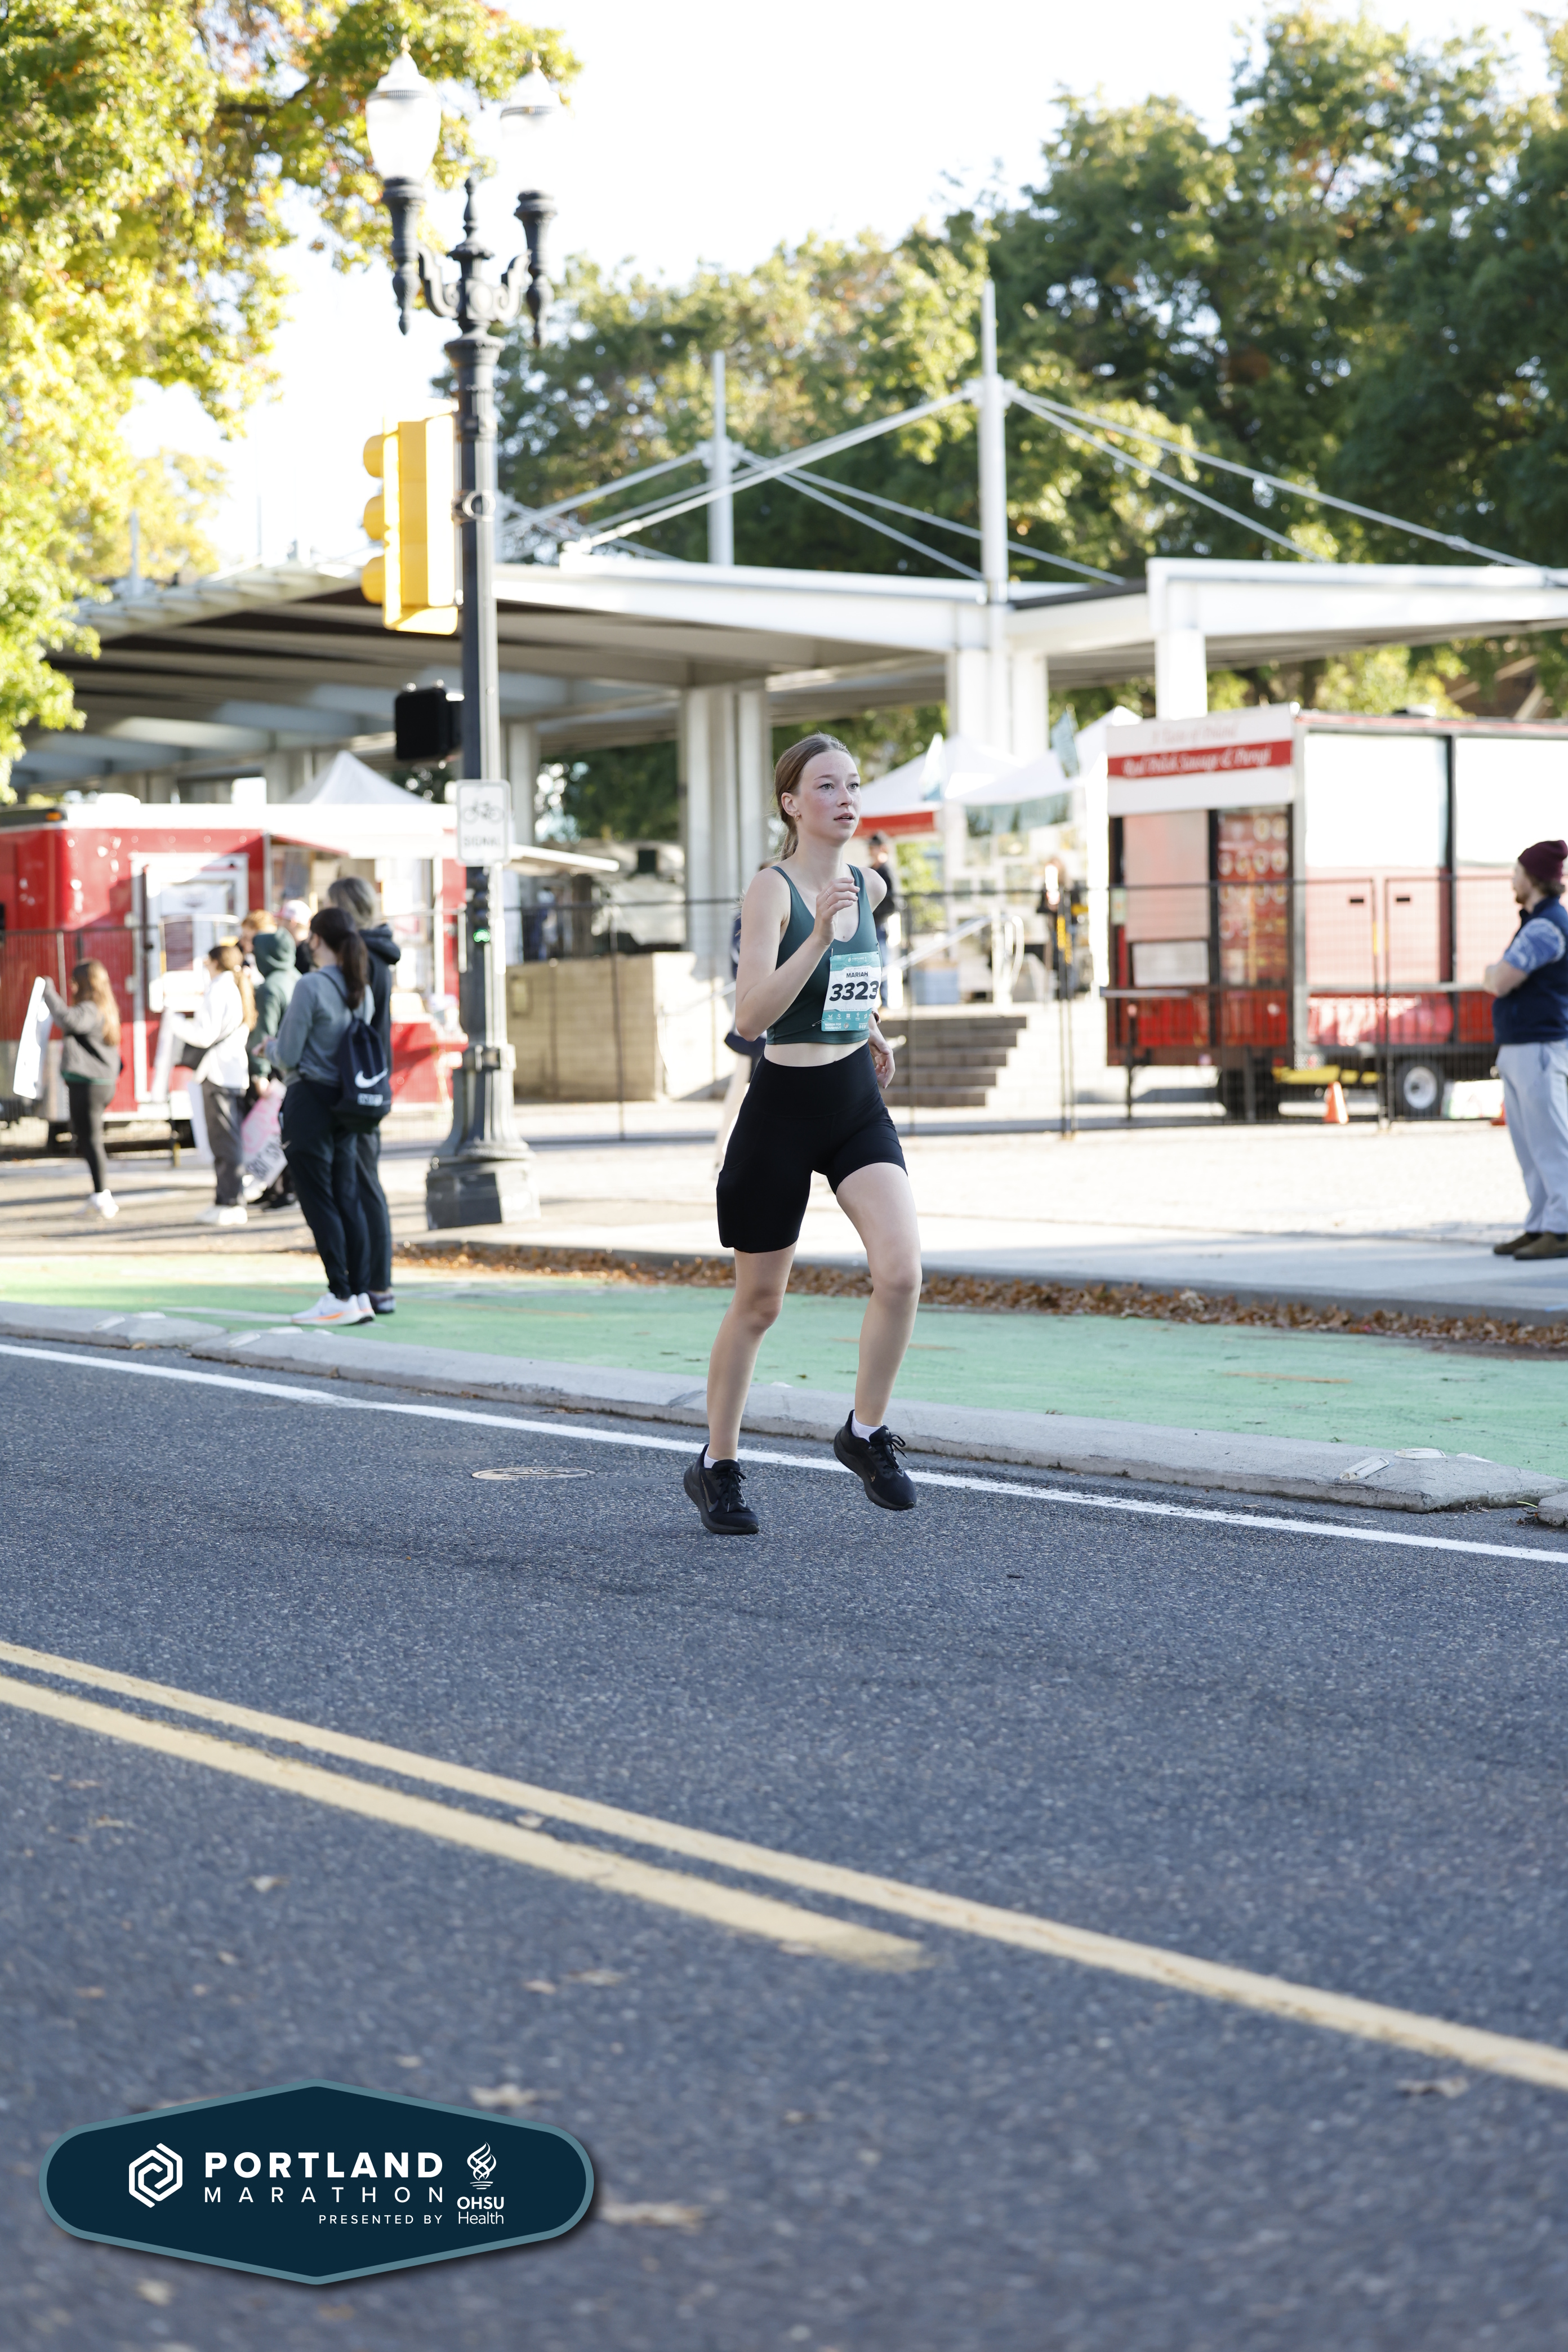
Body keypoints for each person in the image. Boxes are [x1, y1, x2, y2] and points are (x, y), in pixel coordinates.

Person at [685, 733, 920, 1536]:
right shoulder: (772, 890)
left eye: (853, 784)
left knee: (901, 1272)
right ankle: (717, 1465)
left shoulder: (871, 886)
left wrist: (870, 1026)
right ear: (791, 804)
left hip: (853, 1102)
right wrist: (817, 934)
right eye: (827, 786)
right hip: (782, 1108)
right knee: (760, 1303)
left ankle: (865, 1433)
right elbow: (751, 1017)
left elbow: (850, 984)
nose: (845, 798)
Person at [270, 906, 374, 1326]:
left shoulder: (311, 985)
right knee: (347, 1197)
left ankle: (338, 1294)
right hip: (347, 1103)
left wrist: (266, 1048)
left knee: (318, 1199)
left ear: (316, 939)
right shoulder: (360, 987)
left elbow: (288, 1053)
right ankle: (360, 1293)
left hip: (309, 1100)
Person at [1484, 837, 1568, 1259]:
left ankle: (1562, 1228)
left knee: (1549, 1141)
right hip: (1525, 1045)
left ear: (1533, 878)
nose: (1512, 880)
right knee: (1531, 1146)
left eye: (1517, 872)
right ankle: (1540, 1225)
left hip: (1539, 1046)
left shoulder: (1545, 927)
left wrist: (1491, 973)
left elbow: (1500, 980)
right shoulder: (1537, 923)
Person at [327, 874, 400, 1313]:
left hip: (356, 1080)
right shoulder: (380, 953)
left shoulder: (363, 956)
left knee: (362, 1183)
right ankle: (376, 1282)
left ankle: (375, 1283)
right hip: (371, 1076)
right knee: (364, 1180)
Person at [175, 941, 253, 1227]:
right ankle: (225, 1199)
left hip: (218, 1072)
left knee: (224, 1140)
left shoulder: (220, 988)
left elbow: (204, 1035)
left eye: (207, 962)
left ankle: (231, 1201)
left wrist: (175, 1023)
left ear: (216, 962)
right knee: (227, 1139)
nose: (205, 967)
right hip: (230, 1072)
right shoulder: (233, 986)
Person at [42, 960, 122, 1219]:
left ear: (85, 983)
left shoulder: (89, 1008)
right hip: (101, 1083)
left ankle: (102, 1197)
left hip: (89, 1084)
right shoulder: (105, 1007)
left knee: (91, 1141)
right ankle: (100, 1195)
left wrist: (48, 992)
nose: (72, 987)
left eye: (75, 982)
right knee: (90, 1139)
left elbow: (68, 1020)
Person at [246, 912, 300, 1210]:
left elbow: (264, 1033)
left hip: (276, 1065)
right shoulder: (298, 978)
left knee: (273, 1131)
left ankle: (280, 1189)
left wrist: (260, 1072)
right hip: (297, 1066)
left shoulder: (269, 988)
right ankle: (285, 1188)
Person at [867, 831, 900, 1004]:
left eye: (874, 847)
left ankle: (885, 1001)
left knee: (882, 962)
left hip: (880, 924)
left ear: (882, 848)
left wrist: (877, 914)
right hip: (869, 924)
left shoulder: (886, 871)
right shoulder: (871, 870)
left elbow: (893, 902)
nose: (871, 850)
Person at [277, 897, 315, 978]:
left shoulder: (306, 953)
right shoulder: (312, 947)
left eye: (281, 919)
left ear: (292, 922)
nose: (278, 924)